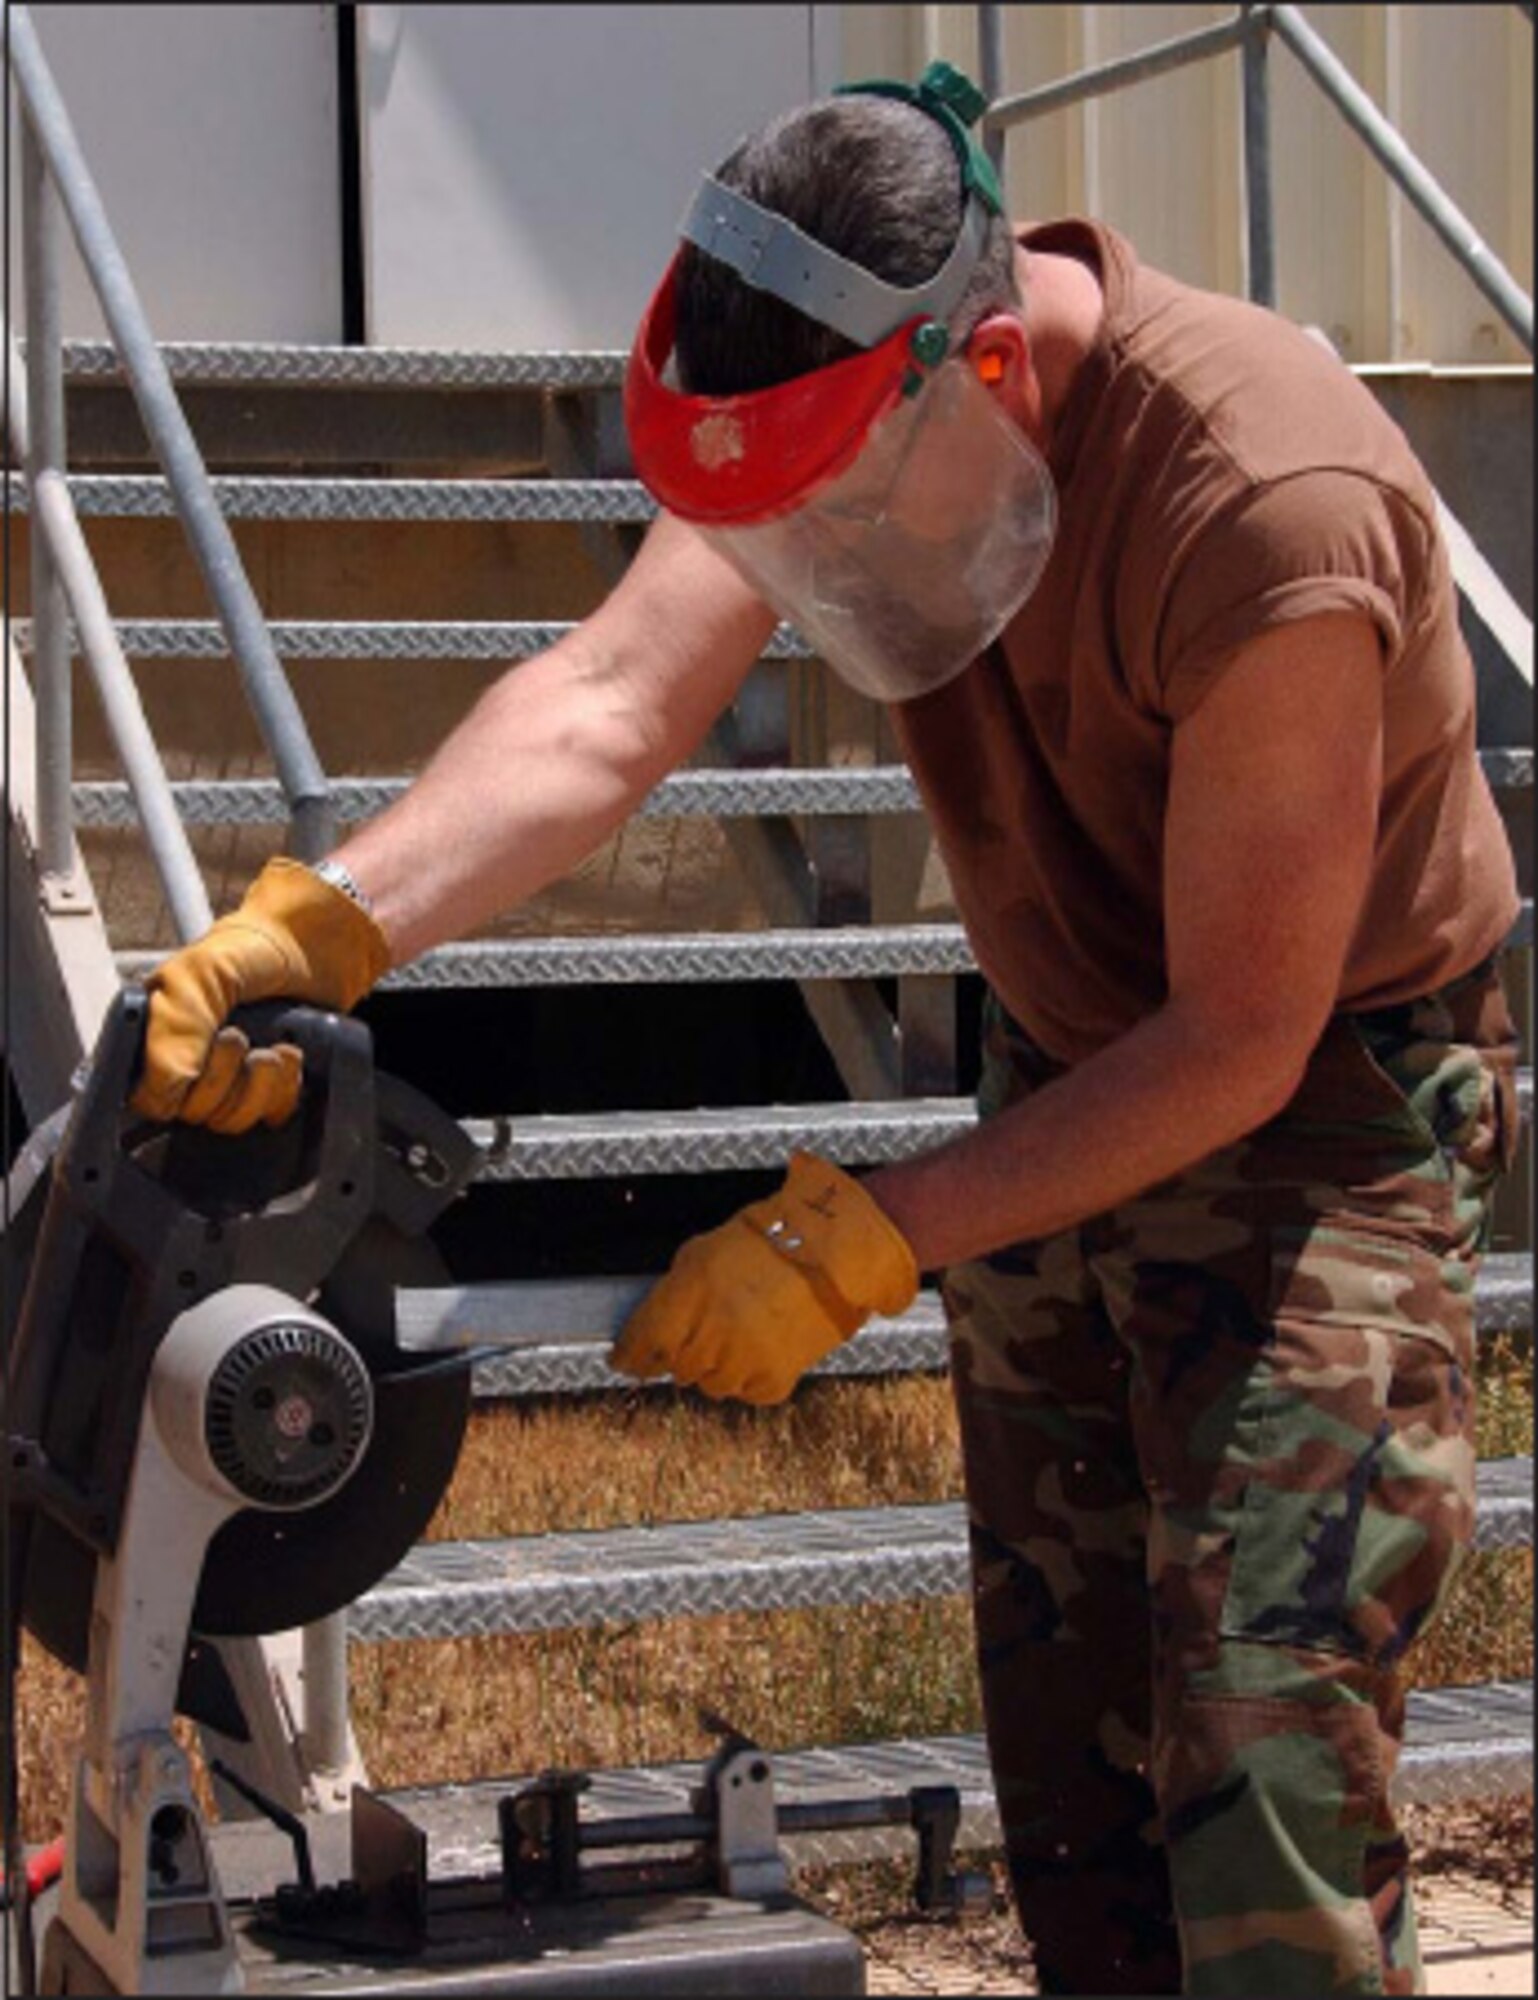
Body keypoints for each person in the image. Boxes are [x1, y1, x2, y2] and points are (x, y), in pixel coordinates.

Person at [130, 63, 1520, 1999]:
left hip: (1323, 1110)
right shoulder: (846, 410)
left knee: (1257, 1737)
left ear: (988, 368)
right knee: (1082, 1749)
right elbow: (612, 701)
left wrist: (863, 1233)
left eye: (829, 514)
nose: (801, 561)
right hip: (1065, 1063)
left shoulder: (1263, 498)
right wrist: (322, 927)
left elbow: (1236, 1037)